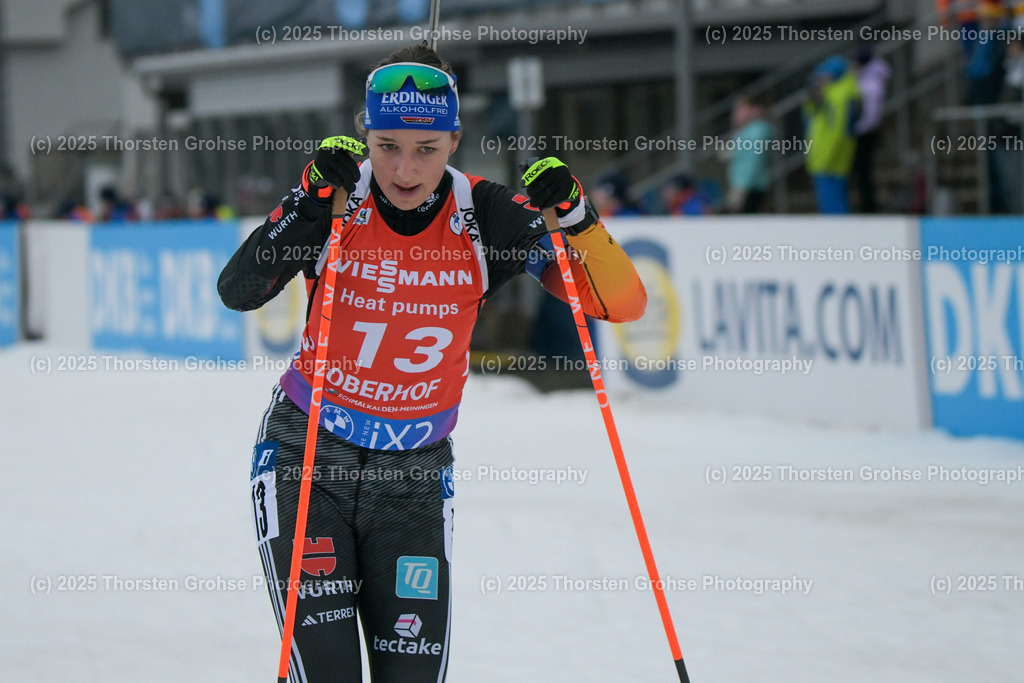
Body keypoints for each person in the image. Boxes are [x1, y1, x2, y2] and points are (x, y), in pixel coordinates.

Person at [217, 44, 646, 682]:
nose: (405, 168)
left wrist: (578, 216)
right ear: (365, 136)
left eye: (425, 148)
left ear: (454, 139)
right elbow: (239, 291)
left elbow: (620, 303)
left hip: (414, 476)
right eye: (387, 146)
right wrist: (306, 200)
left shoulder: (486, 213)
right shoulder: (337, 198)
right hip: (309, 457)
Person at [803, 56, 861, 214]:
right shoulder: (832, 94)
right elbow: (815, 117)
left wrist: (827, 157)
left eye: (823, 76)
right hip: (824, 157)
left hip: (830, 158)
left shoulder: (840, 96)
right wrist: (814, 99)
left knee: (834, 204)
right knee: (830, 202)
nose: (820, 80)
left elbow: (838, 131)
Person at [851, 46, 890, 213]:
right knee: (862, 172)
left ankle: (869, 207)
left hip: (867, 132)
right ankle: (866, 204)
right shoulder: (867, 78)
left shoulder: (872, 82)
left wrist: (858, 129)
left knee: (864, 171)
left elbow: (872, 114)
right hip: (866, 130)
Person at [724, 96, 774, 213]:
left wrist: (742, 186)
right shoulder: (745, 130)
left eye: (741, 110)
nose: (737, 114)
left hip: (750, 185)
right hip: (744, 183)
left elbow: (753, 160)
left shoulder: (757, 130)